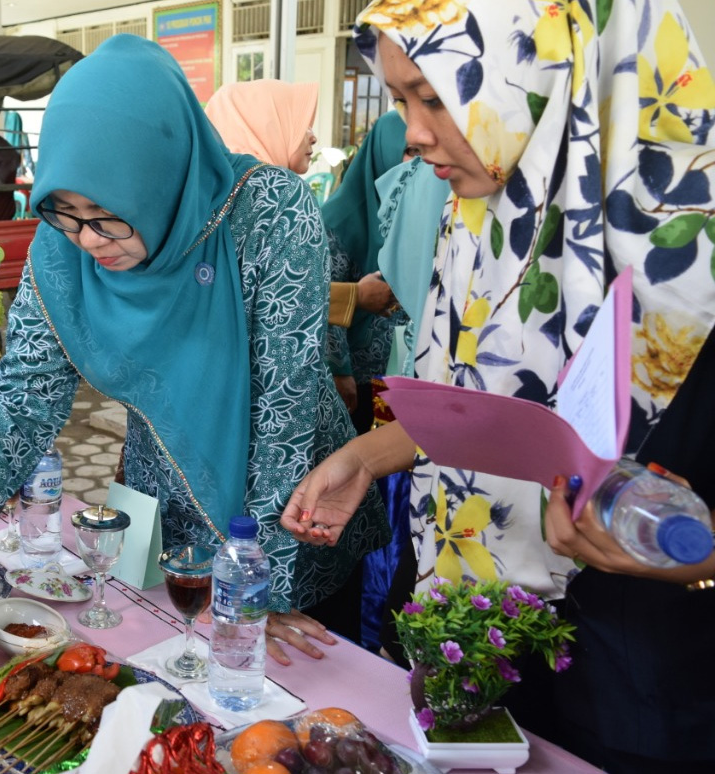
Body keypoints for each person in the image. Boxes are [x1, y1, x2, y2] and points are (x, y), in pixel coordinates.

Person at [283, 1, 715, 770]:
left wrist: (698, 558)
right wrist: (369, 456)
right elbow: (480, 406)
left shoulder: (691, 269)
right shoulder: (484, 219)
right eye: (402, 101)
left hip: (629, 698)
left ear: (550, 73)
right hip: (468, 654)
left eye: (437, 96)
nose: (413, 135)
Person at [0, 35, 389, 663]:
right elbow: (24, 398)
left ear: (160, 174)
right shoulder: (59, 248)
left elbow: (285, 413)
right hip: (164, 516)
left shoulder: (272, 215)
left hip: (295, 521)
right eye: (65, 212)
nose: (88, 240)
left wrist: (256, 587)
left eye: (109, 214)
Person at [205, 78, 396, 407]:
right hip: (271, 399)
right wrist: (355, 300)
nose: (313, 135)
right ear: (266, 127)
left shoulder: (218, 198)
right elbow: (264, 303)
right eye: (299, 123)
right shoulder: (283, 205)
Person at [320, 110, 409, 433]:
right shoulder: (338, 220)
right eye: (410, 151)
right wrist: (340, 371)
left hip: (403, 372)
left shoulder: (419, 210)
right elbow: (319, 300)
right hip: (357, 378)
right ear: (384, 149)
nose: (417, 163)